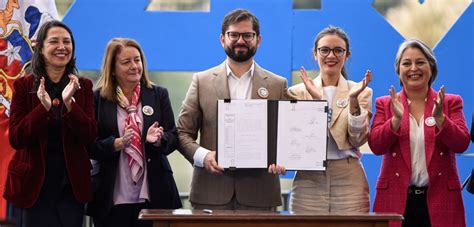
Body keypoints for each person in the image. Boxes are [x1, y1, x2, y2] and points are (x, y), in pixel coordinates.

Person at [177, 8, 289, 210]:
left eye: (248, 35)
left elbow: (288, 135)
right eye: (234, 35)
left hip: (260, 195)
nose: (240, 40)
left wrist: (282, 158)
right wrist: (204, 156)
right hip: (210, 193)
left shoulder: (277, 84)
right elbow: (183, 133)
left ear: (258, 40)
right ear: (222, 39)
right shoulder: (201, 81)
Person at [368, 39, 470, 227]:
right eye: (406, 63)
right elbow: (376, 145)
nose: (413, 68)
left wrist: (441, 119)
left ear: (431, 67)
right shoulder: (385, 103)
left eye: (420, 62)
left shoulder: (450, 102)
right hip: (396, 201)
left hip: (440, 199)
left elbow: (461, 143)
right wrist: (395, 121)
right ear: (399, 70)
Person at [5, 20, 97, 227]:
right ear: (41, 48)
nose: (62, 47)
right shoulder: (23, 85)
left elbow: (90, 135)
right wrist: (43, 109)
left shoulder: (84, 87)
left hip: (70, 189)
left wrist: (69, 106)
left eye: (67, 41)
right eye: (54, 41)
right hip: (32, 188)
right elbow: (17, 138)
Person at [271, 26, 372, 213]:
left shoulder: (361, 91)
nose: (331, 55)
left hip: (349, 177)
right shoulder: (297, 92)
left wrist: (352, 100)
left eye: (338, 50)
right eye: (324, 50)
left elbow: (357, 139)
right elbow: (294, 139)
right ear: (315, 54)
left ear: (347, 55)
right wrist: (318, 103)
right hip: (308, 179)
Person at [86, 38, 181, 227]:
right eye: (126, 62)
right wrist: (116, 144)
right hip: (111, 196)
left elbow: (173, 137)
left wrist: (158, 140)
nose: (134, 66)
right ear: (112, 68)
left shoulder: (158, 94)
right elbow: (89, 146)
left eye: (137, 60)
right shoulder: (97, 99)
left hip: (153, 195)